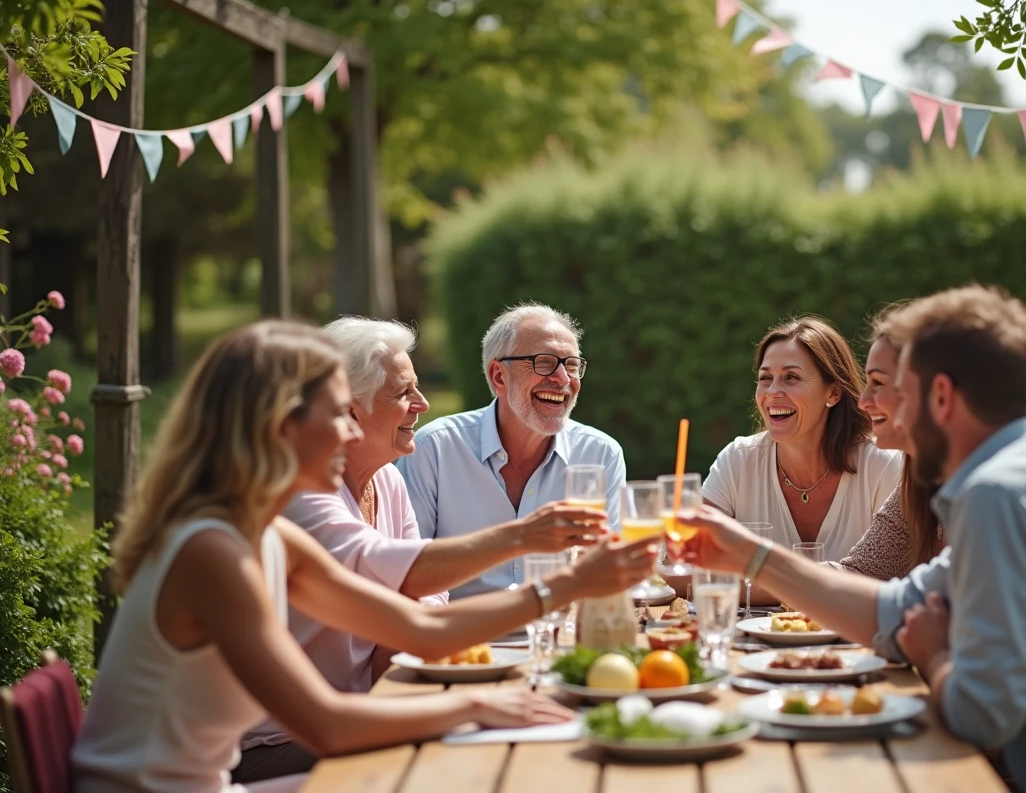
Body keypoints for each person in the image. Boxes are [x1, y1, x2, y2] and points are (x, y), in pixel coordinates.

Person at [71, 321, 659, 793]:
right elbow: (326, 724)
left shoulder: (265, 534)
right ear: (276, 424)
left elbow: (421, 626)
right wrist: (477, 705)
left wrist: (567, 586)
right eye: (336, 413)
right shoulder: (213, 551)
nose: (350, 434)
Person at [680, 285, 1026, 793]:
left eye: (885, 385)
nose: (864, 400)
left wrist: (933, 654)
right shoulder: (1013, 466)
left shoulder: (1005, 490)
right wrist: (748, 555)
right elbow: (891, 605)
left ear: (940, 396)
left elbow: (982, 716)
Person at [235, 316, 612, 783]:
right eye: (401, 394)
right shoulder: (294, 506)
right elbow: (407, 582)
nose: (423, 404)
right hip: (271, 748)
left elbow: (417, 615)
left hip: (352, 714)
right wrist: (532, 543)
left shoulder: (386, 479)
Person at [833, 305, 1026, 580]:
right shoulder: (936, 469)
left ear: (938, 390)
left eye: (879, 383)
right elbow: (867, 573)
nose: (862, 401)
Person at [399, 303, 625, 599]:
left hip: (561, 637)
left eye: (571, 365)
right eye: (544, 362)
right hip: (459, 636)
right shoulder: (434, 449)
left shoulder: (600, 454)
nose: (563, 379)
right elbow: (408, 574)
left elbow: (607, 571)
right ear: (498, 377)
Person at [702, 316, 902, 562]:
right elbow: (681, 566)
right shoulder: (736, 462)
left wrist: (755, 577)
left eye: (791, 378)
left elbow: (894, 579)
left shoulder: (882, 466)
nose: (773, 392)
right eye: (765, 378)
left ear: (834, 393)